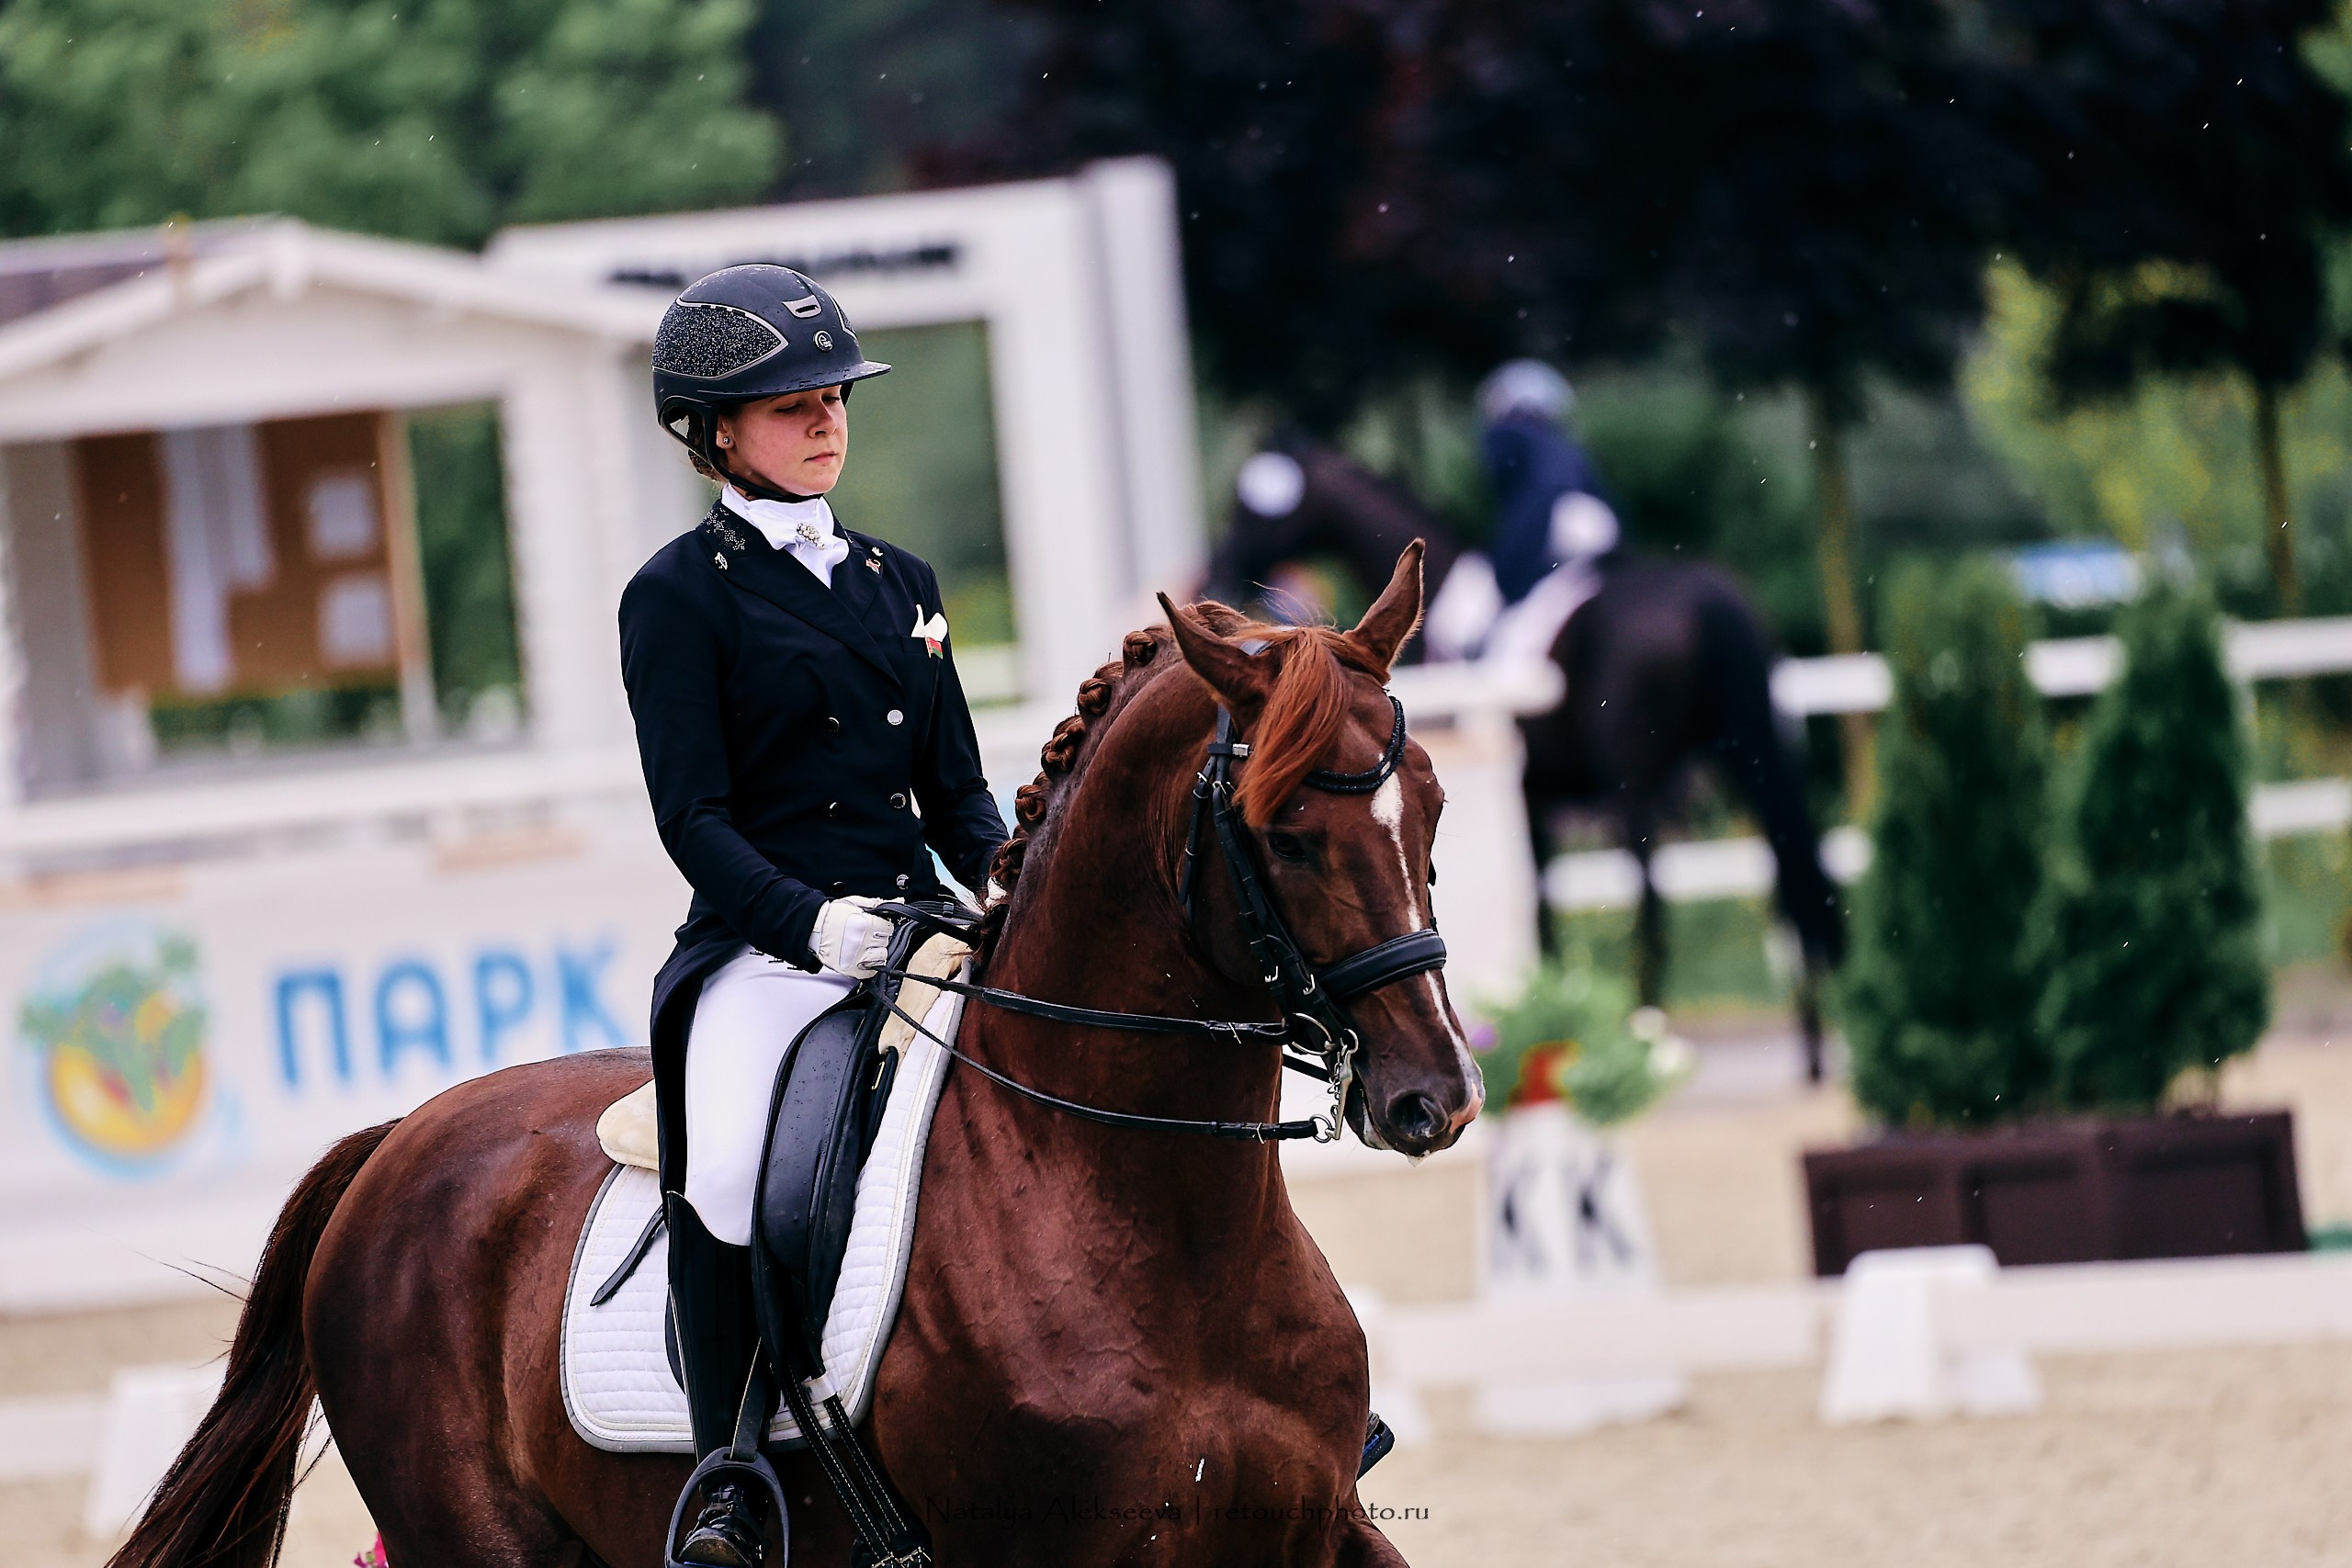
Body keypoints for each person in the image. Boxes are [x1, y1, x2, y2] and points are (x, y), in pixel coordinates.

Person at [619, 265, 1007, 1566]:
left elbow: (955, 791)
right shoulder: (678, 596)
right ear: (717, 430)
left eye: (833, 395)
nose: (825, 418)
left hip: (926, 929)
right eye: (790, 404)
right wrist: (811, 924)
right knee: (728, 1163)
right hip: (767, 951)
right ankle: (729, 1466)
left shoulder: (903, 579)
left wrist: (1006, 879)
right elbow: (696, 821)